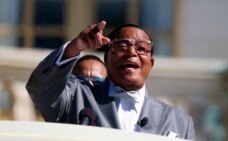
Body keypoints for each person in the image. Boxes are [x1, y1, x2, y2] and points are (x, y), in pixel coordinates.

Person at [26, 21, 195, 140]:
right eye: (121, 46)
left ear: (151, 63)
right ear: (107, 58)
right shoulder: (76, 95)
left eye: (142, 48)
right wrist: (75, 46)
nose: (132, 53)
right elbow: (40, 88)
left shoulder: (180, 121)